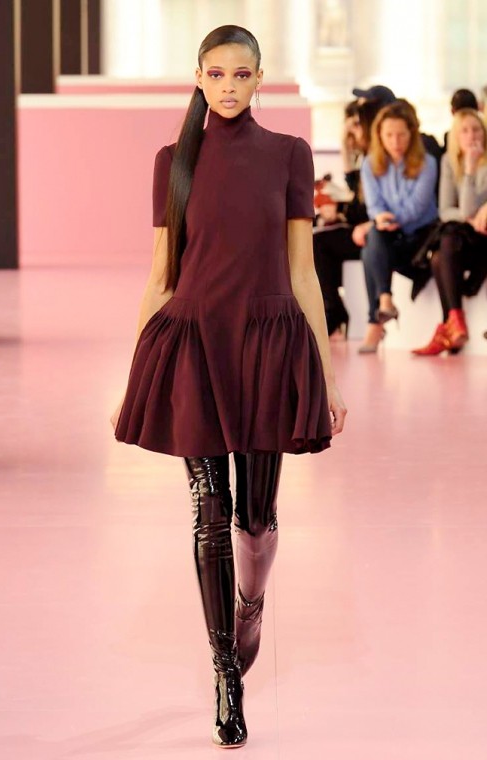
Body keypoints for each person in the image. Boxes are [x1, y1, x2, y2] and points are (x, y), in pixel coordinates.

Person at [110, 25, 347, 749]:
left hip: (269, 346)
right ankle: (224, 674)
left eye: (242, 74)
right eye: (216, 74)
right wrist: (136, 373)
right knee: (209, 514)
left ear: (259, 79)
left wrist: (326, 377)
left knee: (256, 519)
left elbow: (303, 271)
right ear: (198, 77)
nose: (229, 87)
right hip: (195, 345)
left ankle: (251, 601)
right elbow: (161, 276)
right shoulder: (173, 161)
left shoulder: (289, 154)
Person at [358, 101, 438, 352]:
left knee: (371, 245)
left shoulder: (427, 162)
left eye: (401, 134)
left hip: (419, 237)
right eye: (389, 135)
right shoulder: (369, 164)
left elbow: (417, 207)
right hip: (388, 237)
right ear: (379, 135)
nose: (395, 141)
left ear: (411, 134)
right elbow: (374, 206)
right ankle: (384, 302)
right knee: (374, 237)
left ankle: (377, 318)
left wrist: (388, 220)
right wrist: (380, 218)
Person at [413, 108, 487, 355]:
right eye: (464, 131)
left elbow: (465, 206)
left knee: (444, 247)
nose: (471, 135)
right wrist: (470, 219)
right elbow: (446, 210)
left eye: (476, 129)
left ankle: (451, 327)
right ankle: (454, 325)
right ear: (456, 136)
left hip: (483, 236)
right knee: (440, 252)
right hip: (465, 235)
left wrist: (471, 168)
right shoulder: (448, 161)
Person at [312, 99, 384, 336]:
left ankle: (333, 310)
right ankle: (331, 308)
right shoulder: (364, 158)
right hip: (364, 227)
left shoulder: (376, 158)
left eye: (355, 125)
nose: (351, 132)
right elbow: (357, 200)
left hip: (377, 231)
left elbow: (362, 209)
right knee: (317, 237)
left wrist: (343, 209)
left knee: (318, 242)